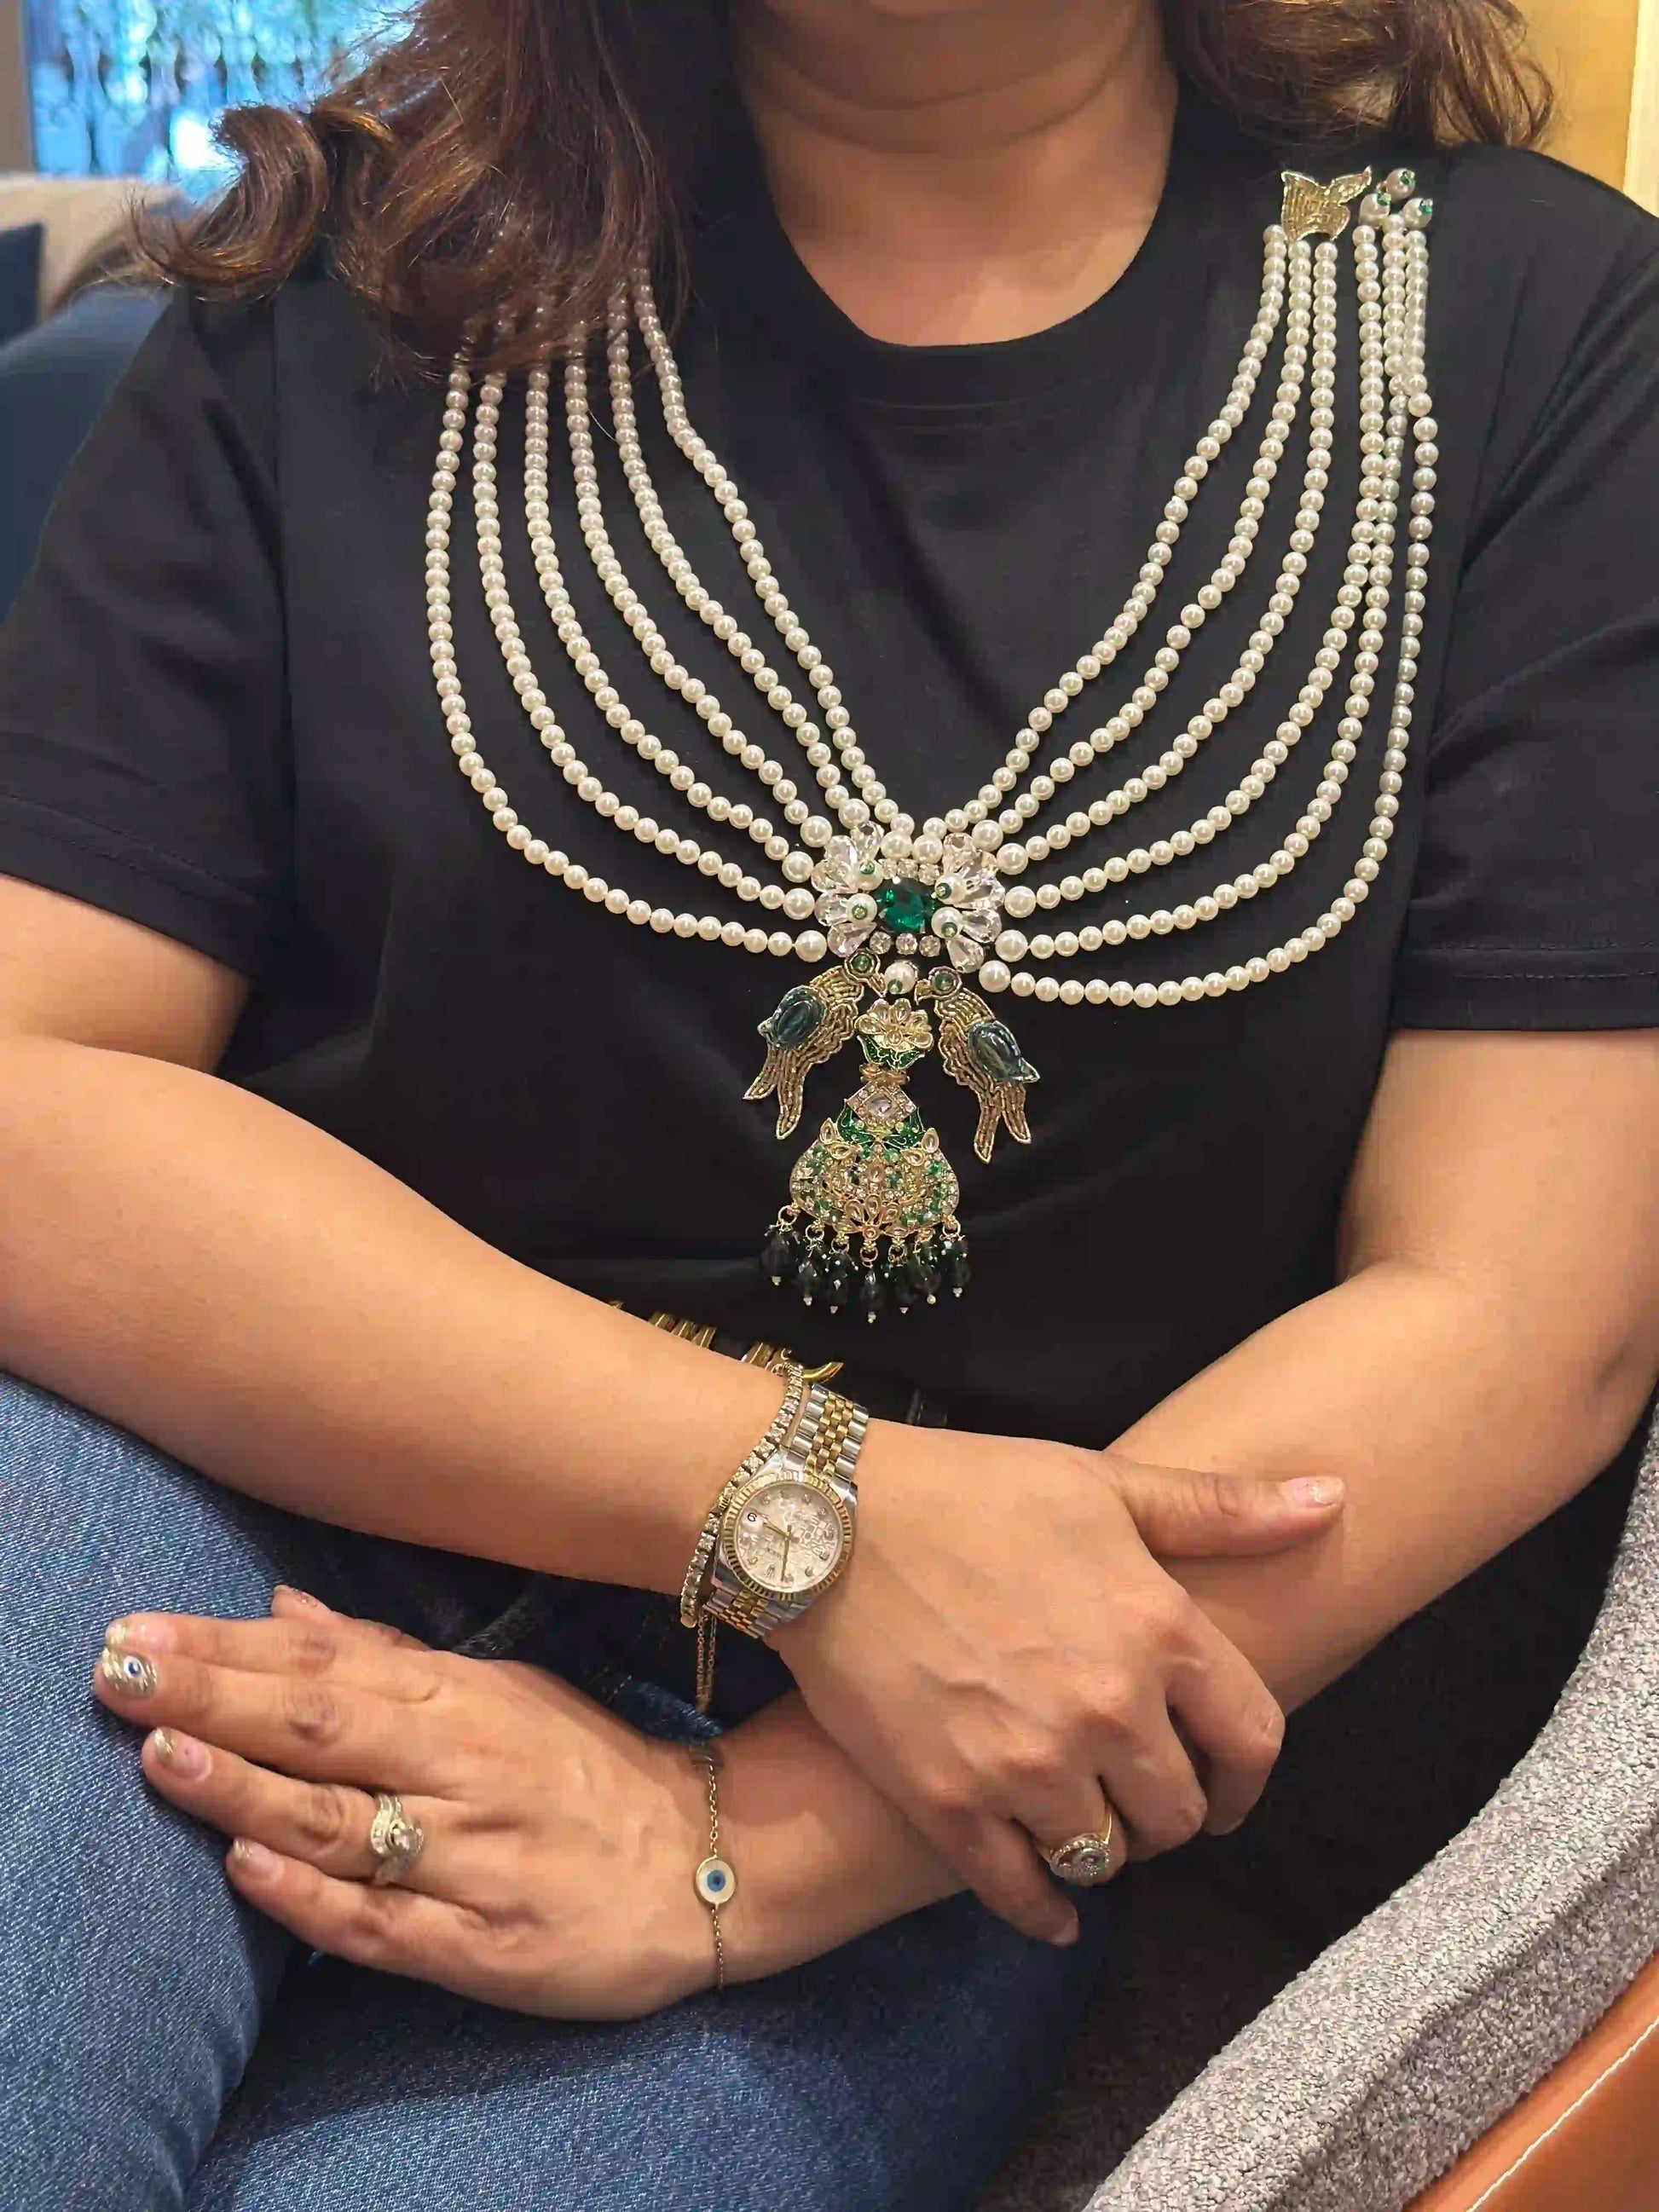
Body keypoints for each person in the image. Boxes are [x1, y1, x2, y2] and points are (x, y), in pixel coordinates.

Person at [0, 3, 1655, 2207]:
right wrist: (800, 1507)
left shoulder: (1531, 332)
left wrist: (742, 1848)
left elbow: (1516, 1308)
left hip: (917, 1748)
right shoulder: (355, 277)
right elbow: (33, 1083)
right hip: (228, 1484)